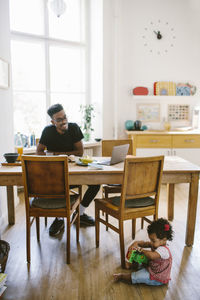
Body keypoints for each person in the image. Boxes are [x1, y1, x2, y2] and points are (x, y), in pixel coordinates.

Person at [37, 103, 100, 236]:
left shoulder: (74, 128)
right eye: (59, 119)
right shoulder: (47, 131)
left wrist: (56, 154)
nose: (64, 121)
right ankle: (59, 218)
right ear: (52, 121)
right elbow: (39, 151)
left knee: (96, 183)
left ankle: (80, 213)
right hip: (55, 174)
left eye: (65, 117)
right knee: (57, 186)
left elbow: (80, 152)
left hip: (75, 171)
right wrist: (63, 155)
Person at [113, 218, 173, 286]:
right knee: (140, 259)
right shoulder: (156, 244)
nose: (151, 242)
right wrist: (136, 243)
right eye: (150, 240)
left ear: (164, 239)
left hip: (157, 277)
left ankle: (122, 276)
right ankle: (131, 265)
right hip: (153, 268)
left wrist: (141, 250)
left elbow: (151, 256)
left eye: (153, 241)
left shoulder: (164, 250)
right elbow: (145, 244)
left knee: (137, 276)